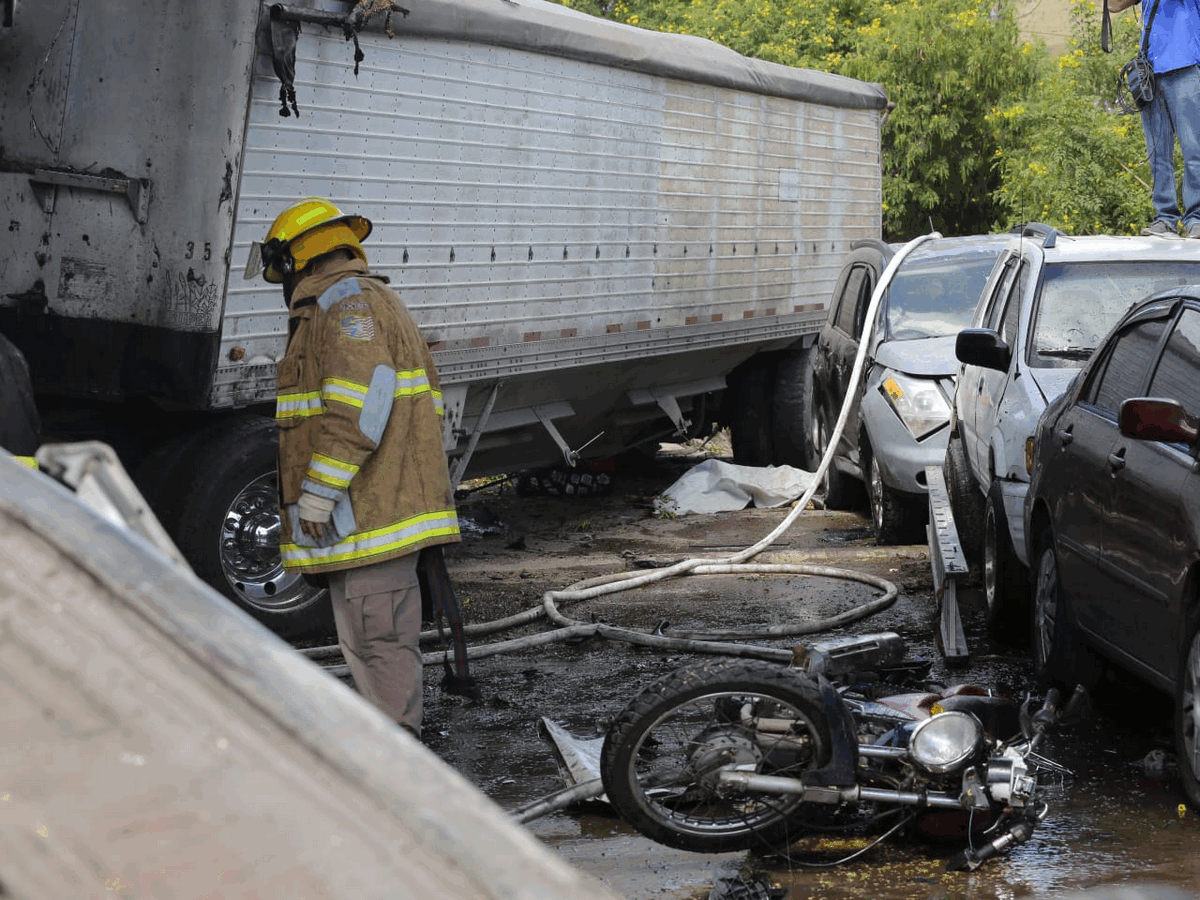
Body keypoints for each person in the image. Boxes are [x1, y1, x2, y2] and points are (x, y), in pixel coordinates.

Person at [248, 197, 462, 738]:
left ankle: (400, 765)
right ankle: (388, 749)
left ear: (297, 259)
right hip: (370, 510)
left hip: (374, 514)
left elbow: (363, 404)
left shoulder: (347, 306)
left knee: (379, 643)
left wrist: (318, 493)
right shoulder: (346, 304)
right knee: (369, 644)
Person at [1109, 0, 1200, 237]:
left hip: (1186, 65)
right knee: (1158, 153)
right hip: (1150, 69)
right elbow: (1113, 5)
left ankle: (1197, 217)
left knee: (1194, 150)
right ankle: (1165, 218)